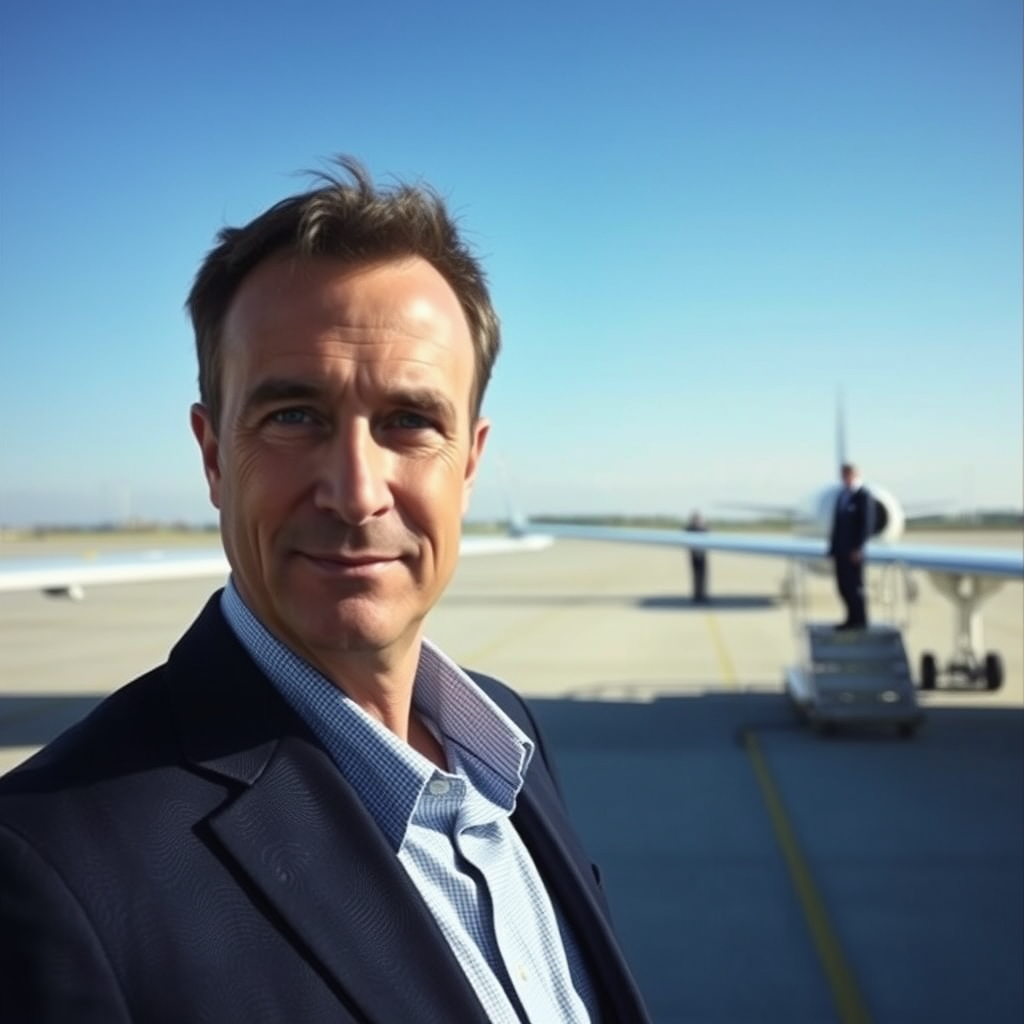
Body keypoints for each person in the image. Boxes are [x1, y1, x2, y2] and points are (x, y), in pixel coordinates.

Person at [0, 158, 651, 1024]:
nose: (355, 491)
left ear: (471, 463)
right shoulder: (48, 863)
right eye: (293, 417)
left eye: (409, 422)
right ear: (210, 456)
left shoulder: (509, 739)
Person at [828, 462, 873, 630]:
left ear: (855, 475)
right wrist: (832, 549)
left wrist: (858, 548)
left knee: (855, 587)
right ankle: (850, 618)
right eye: (843, 475)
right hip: (840, 551)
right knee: (842, 586)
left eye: (848, 475)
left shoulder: (863, 496)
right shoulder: (842, 496)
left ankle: (860, 621)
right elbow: (836, 525)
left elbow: (866, 525)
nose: (845, 479)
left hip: (854, 552)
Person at [685, 510, 709, 603]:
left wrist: (705, 527)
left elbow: (707, 534)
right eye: (696, 518)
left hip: (702, 555)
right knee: (695, 576)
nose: (697, 520)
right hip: (694, 555)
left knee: (703, 576)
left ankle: (703, 594)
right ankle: (696, 595)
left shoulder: (703, 528)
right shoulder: (690, 528)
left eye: (698, 518)